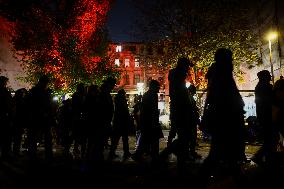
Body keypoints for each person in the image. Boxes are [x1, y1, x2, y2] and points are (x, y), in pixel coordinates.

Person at [199, 48, 247, 187]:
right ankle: (201, 179)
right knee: (219, 152)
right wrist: (237, 105)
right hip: (226, 118)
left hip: (223, 117)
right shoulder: (222, 73)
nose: (231, 60)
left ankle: (237, 177)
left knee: (220, 152)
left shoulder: (219, 73)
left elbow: (215, 96)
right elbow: (225, 95)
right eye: (229, 57)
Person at [161, 57, 194, 173]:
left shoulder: (176, 76)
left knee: (183, 136)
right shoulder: (178, 78)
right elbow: (181, 96)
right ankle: (168, 156)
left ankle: (180, 161)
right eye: (187, 66)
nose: (188, 69)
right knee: (184, 136)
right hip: (181, 110)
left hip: (178, 109)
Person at [132, 80, 163, 164]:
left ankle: (144, 155)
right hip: (150, 122)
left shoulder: (148, 95)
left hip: (147, 121)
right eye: (157, 87)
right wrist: (154, 120)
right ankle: (153, 156)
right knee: (152, 140)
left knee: (147, 140)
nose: (159, 89)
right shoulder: (152, 95)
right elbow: (150, 110)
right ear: (153, 87)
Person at [252, 70, 275, 164]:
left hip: (263, 116)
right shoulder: (267, 87)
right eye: (269, 75)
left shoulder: (259, 87)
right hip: (268, 116)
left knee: (269, 138)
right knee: (272, 138)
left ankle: (265, 156)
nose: (270, 77)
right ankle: (260, 156)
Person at [109, 89, 132, 160]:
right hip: (122, 121)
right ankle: (126, 152)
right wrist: (128, 118)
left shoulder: (116, 99)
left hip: (117, 121)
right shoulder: (122, 100)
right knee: (124, 138)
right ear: (122, 94)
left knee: (116, 139)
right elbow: (124, 110)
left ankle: (112, 152)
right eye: (124, 93)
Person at [0, 76, 13, 161]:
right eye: (5, 82)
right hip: (4, 117)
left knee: (5, 137)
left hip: (5, 116)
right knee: (5, 137)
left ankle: (5, 154)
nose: (5, 83)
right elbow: (8, 105)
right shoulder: (4, 92)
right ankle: (5, 154)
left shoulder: (5, 91)